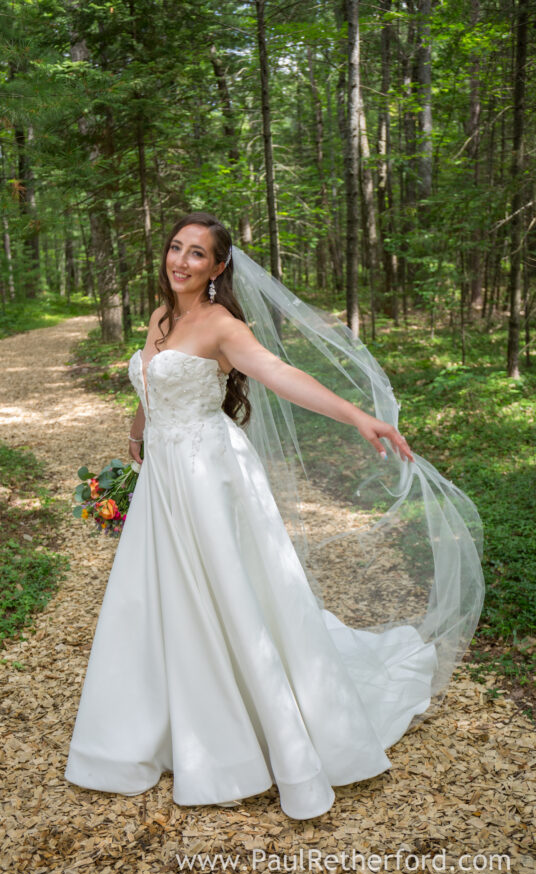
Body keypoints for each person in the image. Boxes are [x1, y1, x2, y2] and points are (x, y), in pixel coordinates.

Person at [64, 212, 484, 820]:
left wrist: (359, 417)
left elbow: (281, 375)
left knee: (231, 590)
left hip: (209, 474)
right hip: (165, 474)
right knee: (164, 594)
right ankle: (158, 723)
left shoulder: (221, 325)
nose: (180, 261)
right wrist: (138, 432)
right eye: (175, 248)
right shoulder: (162, 317)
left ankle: (253, 730)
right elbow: (151, 384)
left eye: (197, 254)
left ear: (218, 267)